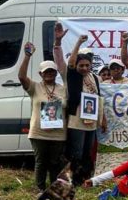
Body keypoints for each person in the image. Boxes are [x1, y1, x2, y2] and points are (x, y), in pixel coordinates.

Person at [18, 42, 67, 191]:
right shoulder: (35, 87)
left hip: (58, 134)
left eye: (52, 71)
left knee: (55, 163)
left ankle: (53, 188)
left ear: (56, 73)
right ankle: (40, 188)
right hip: (39, 133)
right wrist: (27, 56)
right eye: (46, 72)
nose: (49, 74)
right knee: (41, 162)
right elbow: (21, 76)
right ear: (41, 74)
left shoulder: (63, 89)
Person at [66, 35, 106, 182]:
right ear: (76, 66)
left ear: (90, 65)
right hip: (77, 119)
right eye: (81, 65)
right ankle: (73, 180)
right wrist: (78, 42)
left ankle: (85, 177)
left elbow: (99, 98)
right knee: (76, 151)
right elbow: (71, 62)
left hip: (92, 118)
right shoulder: (73, 75)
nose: (84, 68)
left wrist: (103, 119)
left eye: (86, 65)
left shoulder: (94, 78)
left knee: (87, 151)